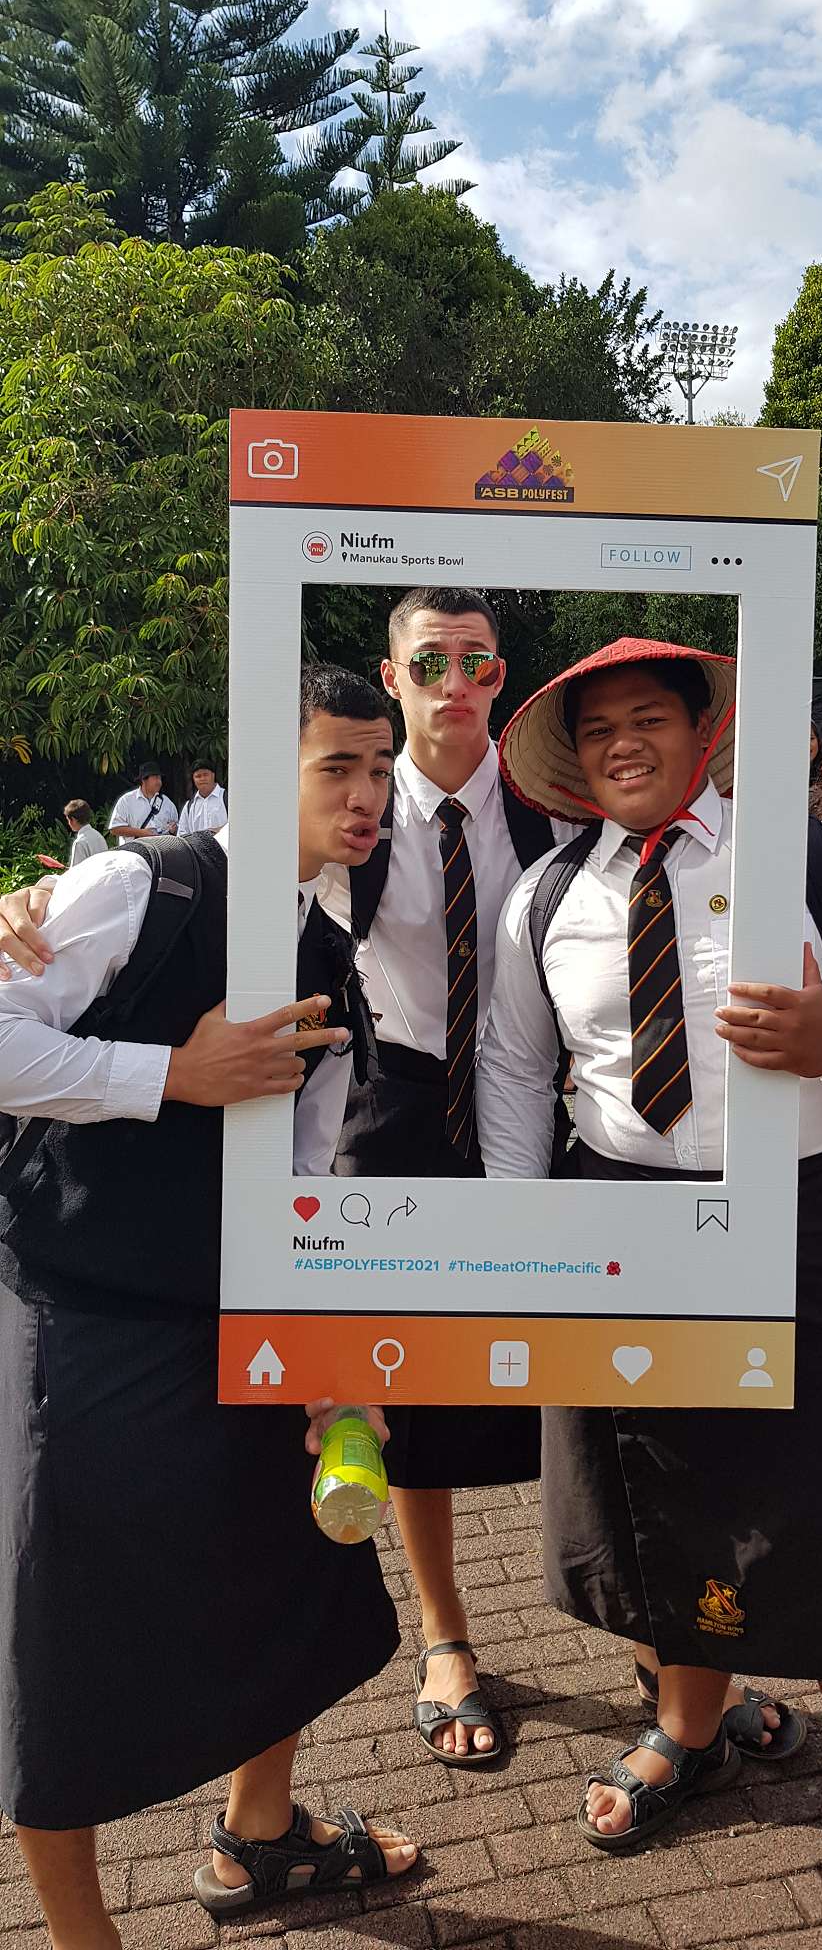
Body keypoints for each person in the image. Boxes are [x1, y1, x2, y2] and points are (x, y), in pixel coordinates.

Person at [477, 637, 822, 1926]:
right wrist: (522, 1237)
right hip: (624, 1215)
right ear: (574, 758)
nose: (622, 743)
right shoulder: (545, 893)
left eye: (649, 716)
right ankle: (687, 1725)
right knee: (660, 1481)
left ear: (705, 732)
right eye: (597, 729)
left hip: (816, 1208)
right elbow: (516, 1069)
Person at [0, 663, 418, 1947]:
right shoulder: (146, 886)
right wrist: (169, 1072)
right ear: (260, 765)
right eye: (336, 765)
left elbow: (305, 1167)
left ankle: (261, 1830)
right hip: (79, 1308)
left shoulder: (326, 944)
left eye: (380, 767)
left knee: (287, 1574)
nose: (364, 794)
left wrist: (327, 1351)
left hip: (234, 1318)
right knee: (59, 1641)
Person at [317, 586, 570, 1767]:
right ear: (393, 673)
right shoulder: (353, 815)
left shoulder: (553, 806)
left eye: (477, 662)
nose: (454, 684)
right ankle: (445, 1630)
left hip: (536, 1103)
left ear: (502, 674)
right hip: (396, 1105)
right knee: (404, 1382)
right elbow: (221, 879)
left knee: (574, 1373)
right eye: (429, 662)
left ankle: (638, 1625)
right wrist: (42, 903)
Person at [108, 761, 178, 844]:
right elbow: (114, 829)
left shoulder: (167, 803)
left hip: (161, 850)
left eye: (160, 778)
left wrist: (173, 830)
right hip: (133, 850)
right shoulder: (126, 801)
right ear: (144, 780)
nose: (159, 782)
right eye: (155, 778)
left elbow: (178, 830)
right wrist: (142, 833)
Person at [177, 759, 227, 835]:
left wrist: (220, 831)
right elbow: (182, 834)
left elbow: (239, 825)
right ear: (193, 779)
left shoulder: (227, 798)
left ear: (213, 775)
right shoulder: (189, 806)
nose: (202, 779)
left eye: (205, 775)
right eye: (198, 776)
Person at [63, 800, 108, 868]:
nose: (69, 824)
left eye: (68, 820)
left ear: (73, 820)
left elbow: (77, 870)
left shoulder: (79, 842)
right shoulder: (99, 836)